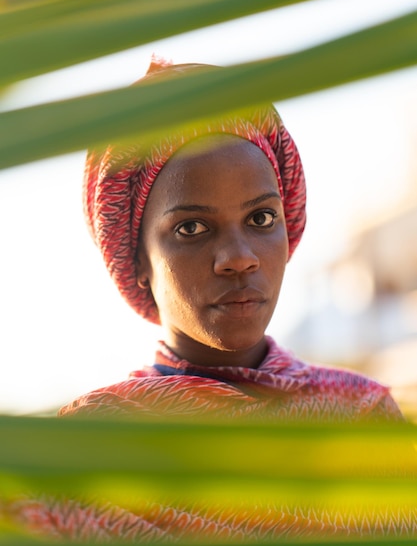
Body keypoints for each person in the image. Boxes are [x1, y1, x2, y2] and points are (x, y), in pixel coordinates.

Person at [9, 57, 413, 542]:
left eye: (261, 219)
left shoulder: (364, 417)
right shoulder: (88, 451)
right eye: (191, 228)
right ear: (135, 259)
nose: (239, 259)